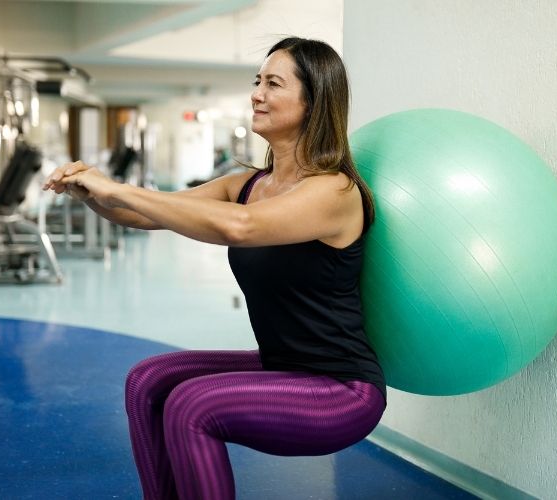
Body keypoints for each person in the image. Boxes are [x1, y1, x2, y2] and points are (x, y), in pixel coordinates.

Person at [43, 36, 386, 500]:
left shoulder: (334, 192)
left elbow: (242, 227)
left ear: (313, 101)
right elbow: (145, 215)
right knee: (148, 381)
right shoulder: (247, 184)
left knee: (191, 404)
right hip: (280, 368)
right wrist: (94, 195)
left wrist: (117, 187)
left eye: (273, 84)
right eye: (257, 81)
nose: (256, 93)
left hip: (340, 389)